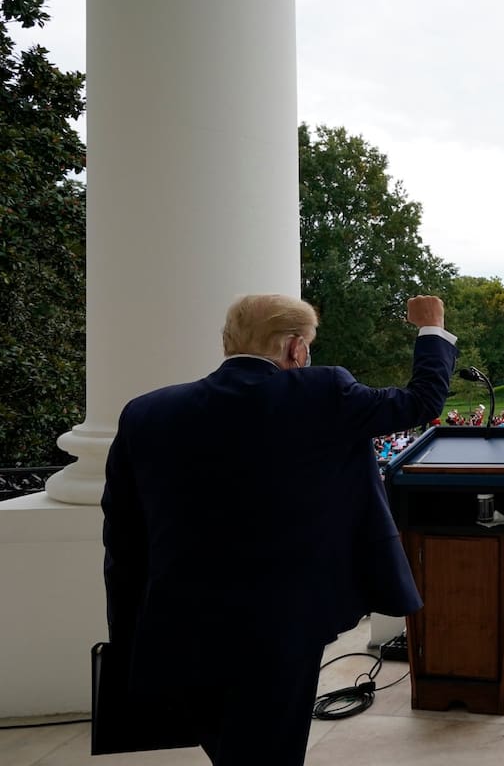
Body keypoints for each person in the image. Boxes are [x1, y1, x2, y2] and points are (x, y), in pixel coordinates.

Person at [100, 294, 457, 766]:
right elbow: (422, 400)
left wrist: (129, 629)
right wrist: (431, 327)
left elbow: (122, 535)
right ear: (295, 350)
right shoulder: (322, 391)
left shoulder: (146, 412)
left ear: (228, 342)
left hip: (178, 618)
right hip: (281, 624)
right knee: (270, 750)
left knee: (227, 744)